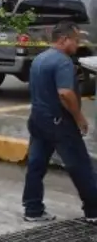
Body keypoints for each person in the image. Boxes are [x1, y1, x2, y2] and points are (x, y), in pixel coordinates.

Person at [21, 21, 97, 223]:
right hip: (59, 122)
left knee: (36, 165)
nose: (78, 44)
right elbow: (64, 93)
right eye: (75, 40)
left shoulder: (39, 59)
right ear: (64, 39)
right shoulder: (63, 62)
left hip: (38, 120)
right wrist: (79, 117)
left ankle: (33, 209)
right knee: (80, 165)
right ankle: (93, 210)